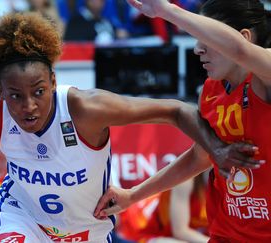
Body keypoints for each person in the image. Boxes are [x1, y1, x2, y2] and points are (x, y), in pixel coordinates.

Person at [0, 12, 257, 243]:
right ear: (0, 91)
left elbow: (178, 111)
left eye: (38, 91)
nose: (28, 105)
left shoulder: (86, 107)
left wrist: (217, 148)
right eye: (15, 96)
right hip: (22, 218)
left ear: (53, 80)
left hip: (88, 228)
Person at [94, 0, 271, 241]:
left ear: (244, 37)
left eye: (205, 39)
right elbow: (198, 158)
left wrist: (166, 11)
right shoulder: (211, 92)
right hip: (227, 233)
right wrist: (132, 195)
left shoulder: (265, 76)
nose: (197, 49)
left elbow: (240, 51)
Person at [120, 173, 209, 242]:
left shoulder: (220, 182)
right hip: (142, 228)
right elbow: (180, 231)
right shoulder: (187, 181)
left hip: (170, 233)